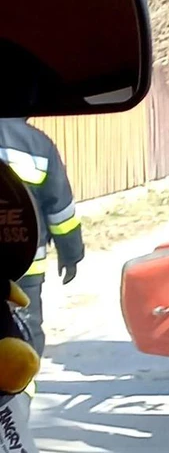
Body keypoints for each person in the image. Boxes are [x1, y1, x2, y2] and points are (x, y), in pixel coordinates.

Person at [0, 117, 83, 365]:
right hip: (24, 267)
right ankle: (20, 395)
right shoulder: (38, 144)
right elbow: (61, 212)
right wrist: (71, 254)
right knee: (23, 334)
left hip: (24, 267)